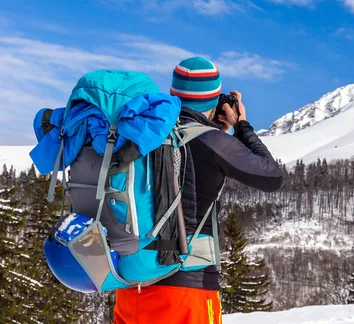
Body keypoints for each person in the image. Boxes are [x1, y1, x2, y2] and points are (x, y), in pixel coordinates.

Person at [114, 57, 284, 324]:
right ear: (215, 101)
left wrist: (213, 128)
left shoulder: (144, 136)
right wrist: (241, 125)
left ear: (173, 93)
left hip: (132, 286)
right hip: (186, 289)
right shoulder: (212, 141)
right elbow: (271, 176)